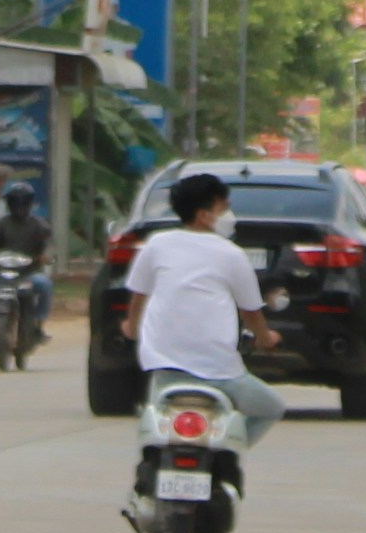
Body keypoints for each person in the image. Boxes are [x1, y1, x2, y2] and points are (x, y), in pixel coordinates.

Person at [117, 171, 283, 446]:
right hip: (220, 372)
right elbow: (251, 312)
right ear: (203, 214)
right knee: (271, 407)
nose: (229, 214)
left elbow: (138, 296)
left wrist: (131, 328)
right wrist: (266, 338)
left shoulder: (157, 244)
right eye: (224, 207)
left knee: (157, 424)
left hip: (164, 368)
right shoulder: (231, 254)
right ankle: (227, 451)